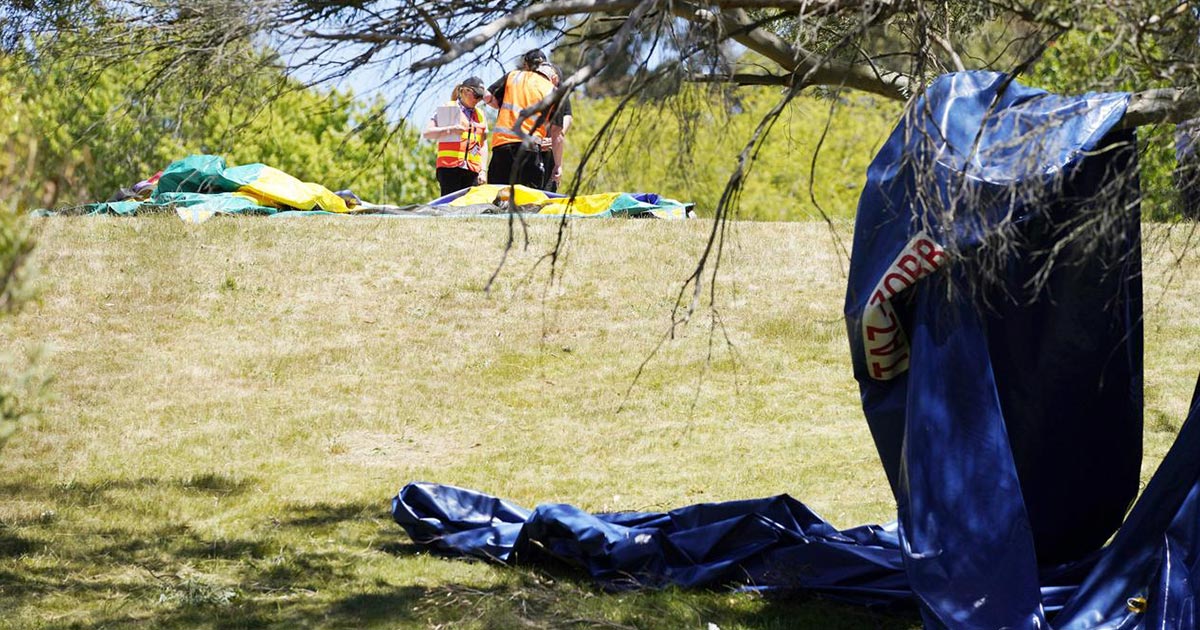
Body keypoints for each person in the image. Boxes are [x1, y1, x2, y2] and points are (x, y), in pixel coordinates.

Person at [483, 49, 561, 190]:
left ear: (526, 64)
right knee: (528, 200)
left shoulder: (513, 76)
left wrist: (498, 105)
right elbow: (556, 130)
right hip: (529, 148)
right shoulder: (551, 89)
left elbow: (487, 96)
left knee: (498, 195)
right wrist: (557, 164)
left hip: (502, 146)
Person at [422, 76, 489, 196]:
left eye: (480, 97)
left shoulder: (480, 115)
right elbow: (427, 132)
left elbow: (483, 145)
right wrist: (450, 130)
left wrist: (483, 171)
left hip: (472, 171)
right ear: (465, 91)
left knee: (469, 210)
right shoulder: (449, 108)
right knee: (449, 208)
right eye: (476, 95)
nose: (478, 100)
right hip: (450, 168)